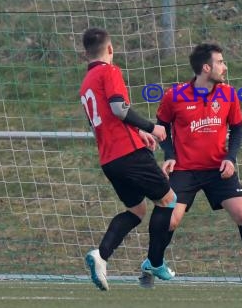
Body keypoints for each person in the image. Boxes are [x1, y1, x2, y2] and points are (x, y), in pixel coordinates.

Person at [152, 42, 242, 290]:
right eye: (220, 62)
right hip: (184, 170)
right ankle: (153, 262)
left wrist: (230, 158)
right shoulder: (175, 95)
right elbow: (162, 127)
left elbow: (238, 127)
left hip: (217, 170)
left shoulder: (229, 94)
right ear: (205, 67)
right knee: (170, 221)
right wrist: (168, 153)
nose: (225, 67)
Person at [79, 27, 177, 291]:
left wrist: (136, 133)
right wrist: (150, 128)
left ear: (84, 54)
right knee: (169, 201)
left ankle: (101, 256)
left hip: (110, 159)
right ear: (110, 49)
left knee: (137, 211)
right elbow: (118, 108)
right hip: (129, 154)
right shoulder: (109, 71)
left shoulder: (86, 84)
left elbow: (105, 120)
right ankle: (154, 262)